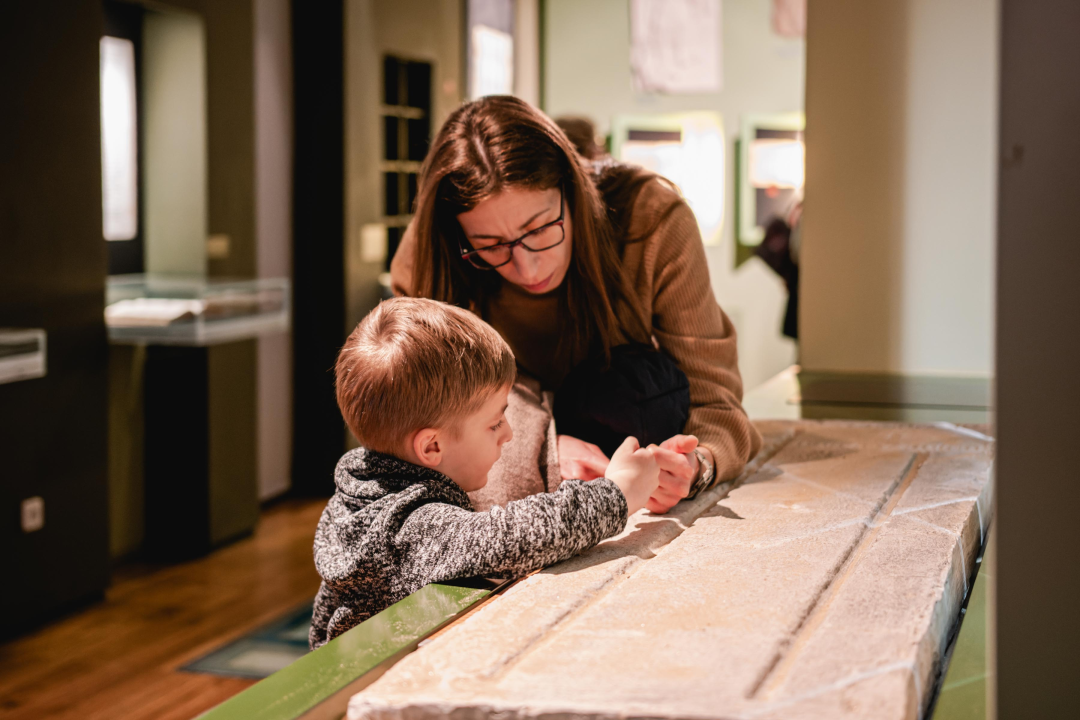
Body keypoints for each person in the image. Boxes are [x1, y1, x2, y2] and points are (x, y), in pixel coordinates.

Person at [391, 96, 761, 514]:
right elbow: (423, 419)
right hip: (498, 457)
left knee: (638, 389)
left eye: (541, 227)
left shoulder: (652, 220)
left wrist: (697, 465)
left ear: (572, 188)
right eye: (490, 246)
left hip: (625, 455)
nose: (528, 269)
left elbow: (717, 403)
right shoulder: (430, 255)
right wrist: (542, 450)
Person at [309, 297, 661, 649]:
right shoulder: (412, 529)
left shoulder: (359, 495)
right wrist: (619, 492)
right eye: (494, 423)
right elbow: (514, 536)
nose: (509, 434)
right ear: (432, 447)